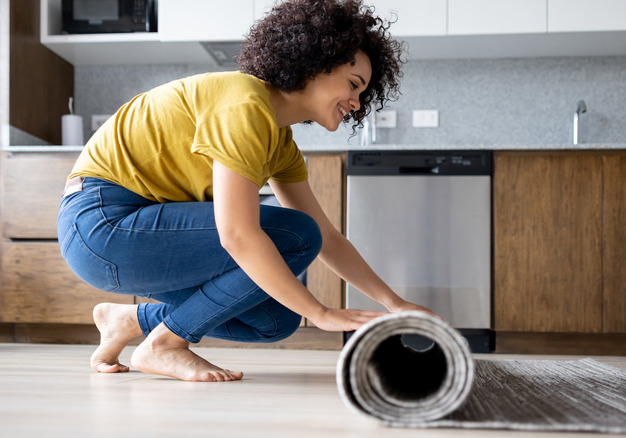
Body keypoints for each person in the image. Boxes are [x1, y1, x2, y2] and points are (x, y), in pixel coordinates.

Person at [57, 0, 434, 382]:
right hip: (101, 226)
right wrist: (321, 314)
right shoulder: (244, 102)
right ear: (314, 62)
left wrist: (395, 303)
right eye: (353, 85)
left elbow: (329, 240)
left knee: (276, 318)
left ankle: (129, 320)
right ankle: (165, 344)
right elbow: (237, 235)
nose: (356, 104)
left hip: (127, 239)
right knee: (294, 235)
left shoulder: (279, 144)